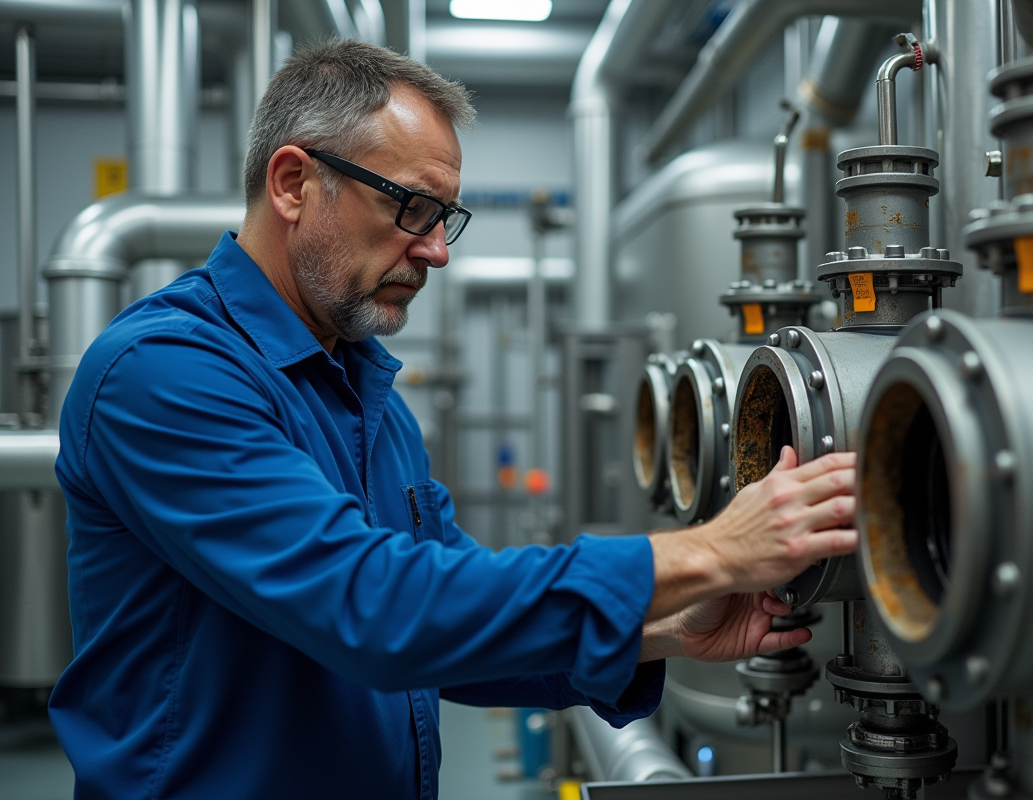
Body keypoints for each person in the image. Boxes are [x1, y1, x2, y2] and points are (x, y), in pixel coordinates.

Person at [50, 40, 858, 799]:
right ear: (293, 183)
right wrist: (709, 550)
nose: (437, 250)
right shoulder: (165, 373)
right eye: (412, 207)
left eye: (446, 218)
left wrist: (666, 629)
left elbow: (452, 627)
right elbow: (377, 608)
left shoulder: (367, 391)